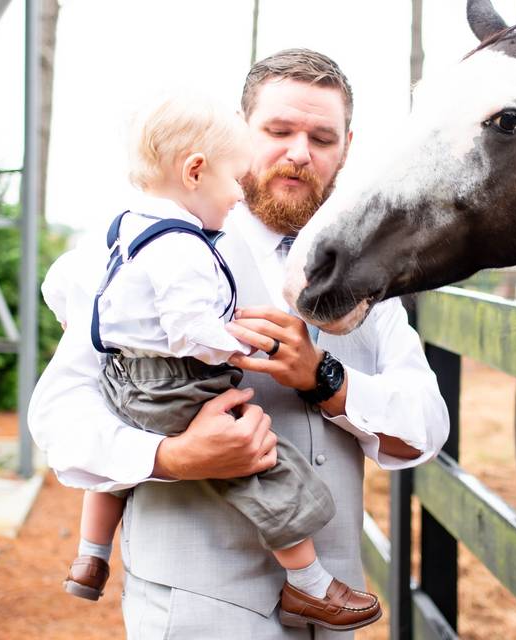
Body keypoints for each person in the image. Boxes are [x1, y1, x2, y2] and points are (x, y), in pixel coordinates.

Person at [29, 48, 449, 639]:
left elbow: (425, 431)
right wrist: (172, 458)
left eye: (322, 138)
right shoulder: (144, 251)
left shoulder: (366, 281)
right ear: (236, 132)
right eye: (278, 131)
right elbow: (59, 421)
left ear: (347, 148)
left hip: (333, 621)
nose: (299, 153)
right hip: (194, 615)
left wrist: (326, 379)